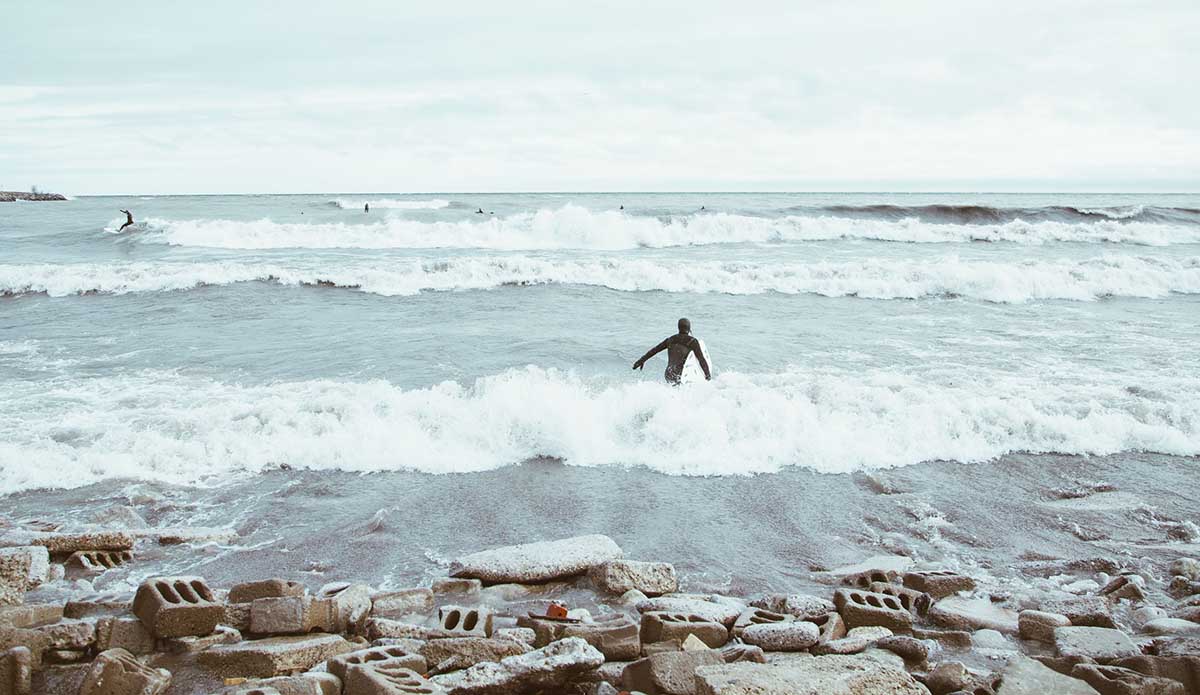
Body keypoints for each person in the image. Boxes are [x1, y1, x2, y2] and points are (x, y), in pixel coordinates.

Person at [633, 318, 711, 384]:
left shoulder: (670, 339)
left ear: (678, 328)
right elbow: (701, 359)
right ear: (689, 328)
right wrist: (707, 375)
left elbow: (654, 351)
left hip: (668, 373)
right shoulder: (692, 341)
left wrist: (640, 361)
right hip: (680, 374)